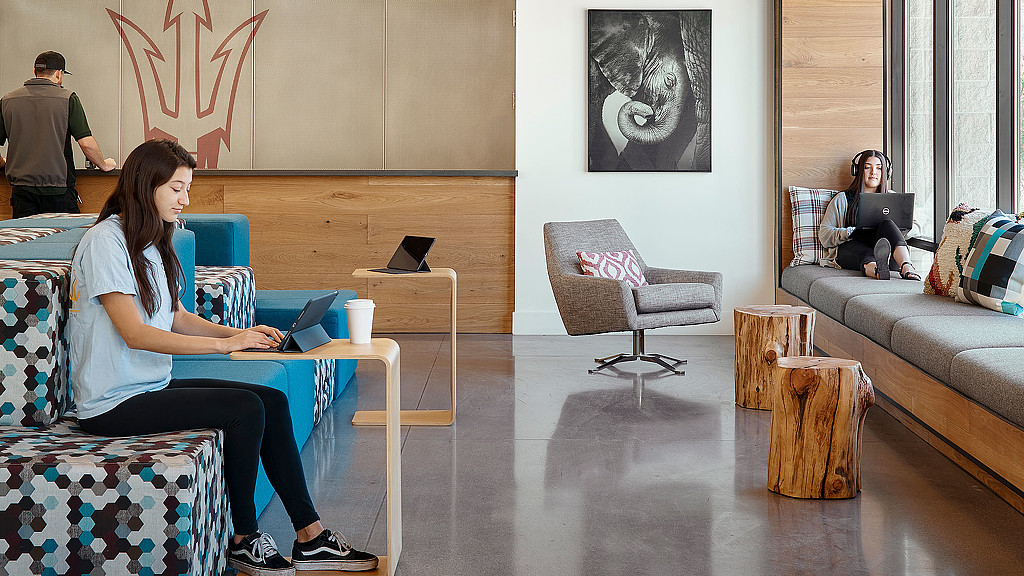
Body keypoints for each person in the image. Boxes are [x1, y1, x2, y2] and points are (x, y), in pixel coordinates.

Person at [67, 139, 378, 575]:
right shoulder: (106, 242)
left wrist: (241, 333)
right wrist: (223, 346)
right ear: (146, 184)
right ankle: (244, 540)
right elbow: (136, 333)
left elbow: (176, 317)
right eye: (176, 188)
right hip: (111, 402)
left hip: (146, 386)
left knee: (271, 399)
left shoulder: (153, 241)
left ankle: (310, 537)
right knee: (246, 408)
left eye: (187, 188)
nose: (185, 199)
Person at [0, 51, 116, 218]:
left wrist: (2, 163)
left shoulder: (7, 101)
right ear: (59, 73)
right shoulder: (68, 99)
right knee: (62, 240)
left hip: (21, 193)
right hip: (59, 193)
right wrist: (103, 164)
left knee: (26, 241)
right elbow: (86, 143)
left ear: (35, 72)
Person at [818, 149, 921, 280]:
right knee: (866, 252)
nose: (873, 172)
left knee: (888, 224)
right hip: (852, 249)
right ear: (858, 171)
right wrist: (850, 232)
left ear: (885, 173)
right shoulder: (842, 199)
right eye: (868, 168)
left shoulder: (894, 198)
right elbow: (824, 235)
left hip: (888, 250)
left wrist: (895, 231)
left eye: (879, 168)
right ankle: (878, 269)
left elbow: (916, 228)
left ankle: (906, 266)